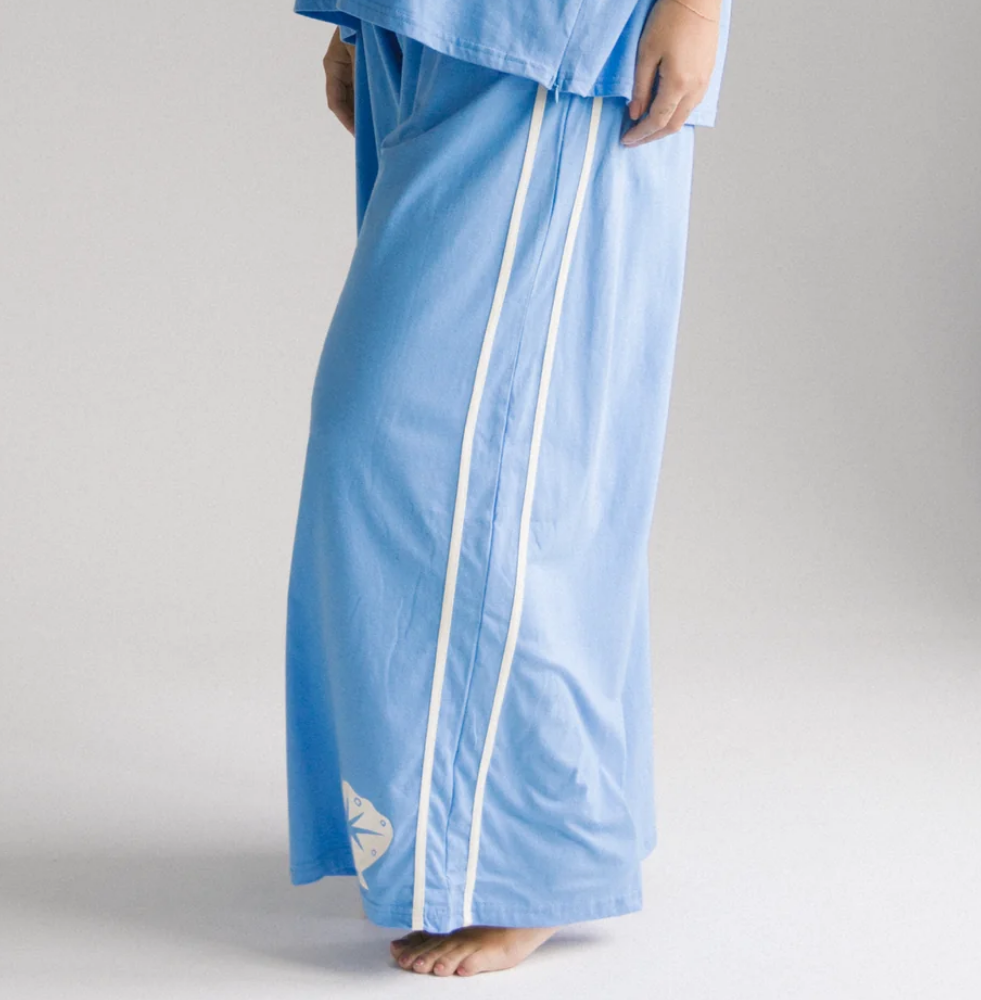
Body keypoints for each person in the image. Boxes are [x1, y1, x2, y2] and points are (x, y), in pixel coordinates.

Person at [285, 0, 732, 977]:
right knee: (462, 452)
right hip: (433, 30)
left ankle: (529, 860)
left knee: (475, 456)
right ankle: (462, 834)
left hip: (558, 44)